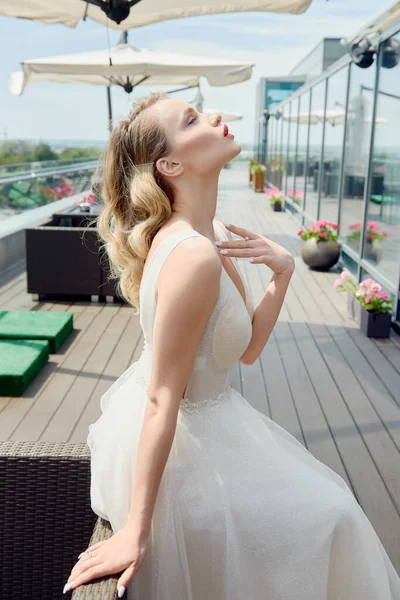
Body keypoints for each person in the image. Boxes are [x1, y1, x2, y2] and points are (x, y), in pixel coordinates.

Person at [63, 92, 400, 599]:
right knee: (335, 517)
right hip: (180, 444)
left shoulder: (214, 235)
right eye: (193, 119)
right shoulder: (192, 254)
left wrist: (281, 275)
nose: (216, 116)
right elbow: (162, 399)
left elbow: (244, 350)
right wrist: (137, 527)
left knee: (335, 510)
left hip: (214, 419)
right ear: (170, 163)